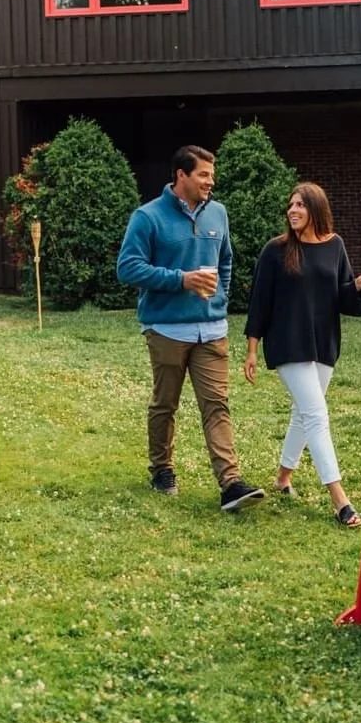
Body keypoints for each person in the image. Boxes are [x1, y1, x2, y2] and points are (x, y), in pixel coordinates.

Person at [116, 144, 264, 513]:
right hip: (166, 329)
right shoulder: (147, 217)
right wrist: (181, 280)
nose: (210, 182)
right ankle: (162, 469)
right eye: (203, 175)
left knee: (217, 405)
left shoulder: (218, 214)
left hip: (211, 329)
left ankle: (230, 483)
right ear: (181, 176)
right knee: (165, 404)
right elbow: (128, 268)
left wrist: (221, 299)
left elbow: (226, 260)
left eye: (211, 176)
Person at [243, 182, 361, 528]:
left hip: (324, 344)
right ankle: (340, 500)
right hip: (287, 343)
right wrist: (252, 348)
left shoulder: (335, 246)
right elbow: (260, 301)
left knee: (303, 415)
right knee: (317, 415)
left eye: (300, 205)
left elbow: (343, 297)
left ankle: (282, 478)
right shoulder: (275, 251)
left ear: (316, 209)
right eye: (290, 205)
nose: (293, 210)